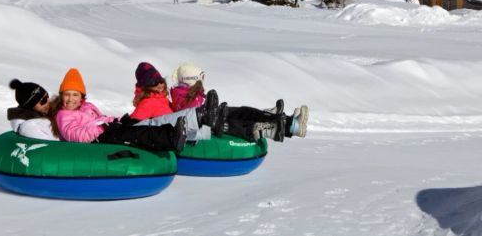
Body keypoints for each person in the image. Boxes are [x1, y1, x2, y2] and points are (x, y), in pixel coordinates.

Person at [49, 68, 187, 152]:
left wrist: (116, 120)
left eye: (75, 95)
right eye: (67, 94)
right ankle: (171, 139)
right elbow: (74, 134)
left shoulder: (86, 107)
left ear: (81, 97)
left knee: (134, 126)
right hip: (92, 143)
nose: (70, 99)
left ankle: (172, 132)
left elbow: (100, 118)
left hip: (102, 134)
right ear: (61, 97)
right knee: (135, 134)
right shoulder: (63, 115)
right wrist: (103, 129)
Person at [170, 62, 309, 142]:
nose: (202, 83)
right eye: (200, 80)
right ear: (191, 79)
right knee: (238, 123)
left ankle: (286, 121)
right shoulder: (180, 94)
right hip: (206, 125)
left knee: (243, 111)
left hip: (214, 116)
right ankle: (285, 126)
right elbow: (188, 113)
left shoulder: (193, 92)